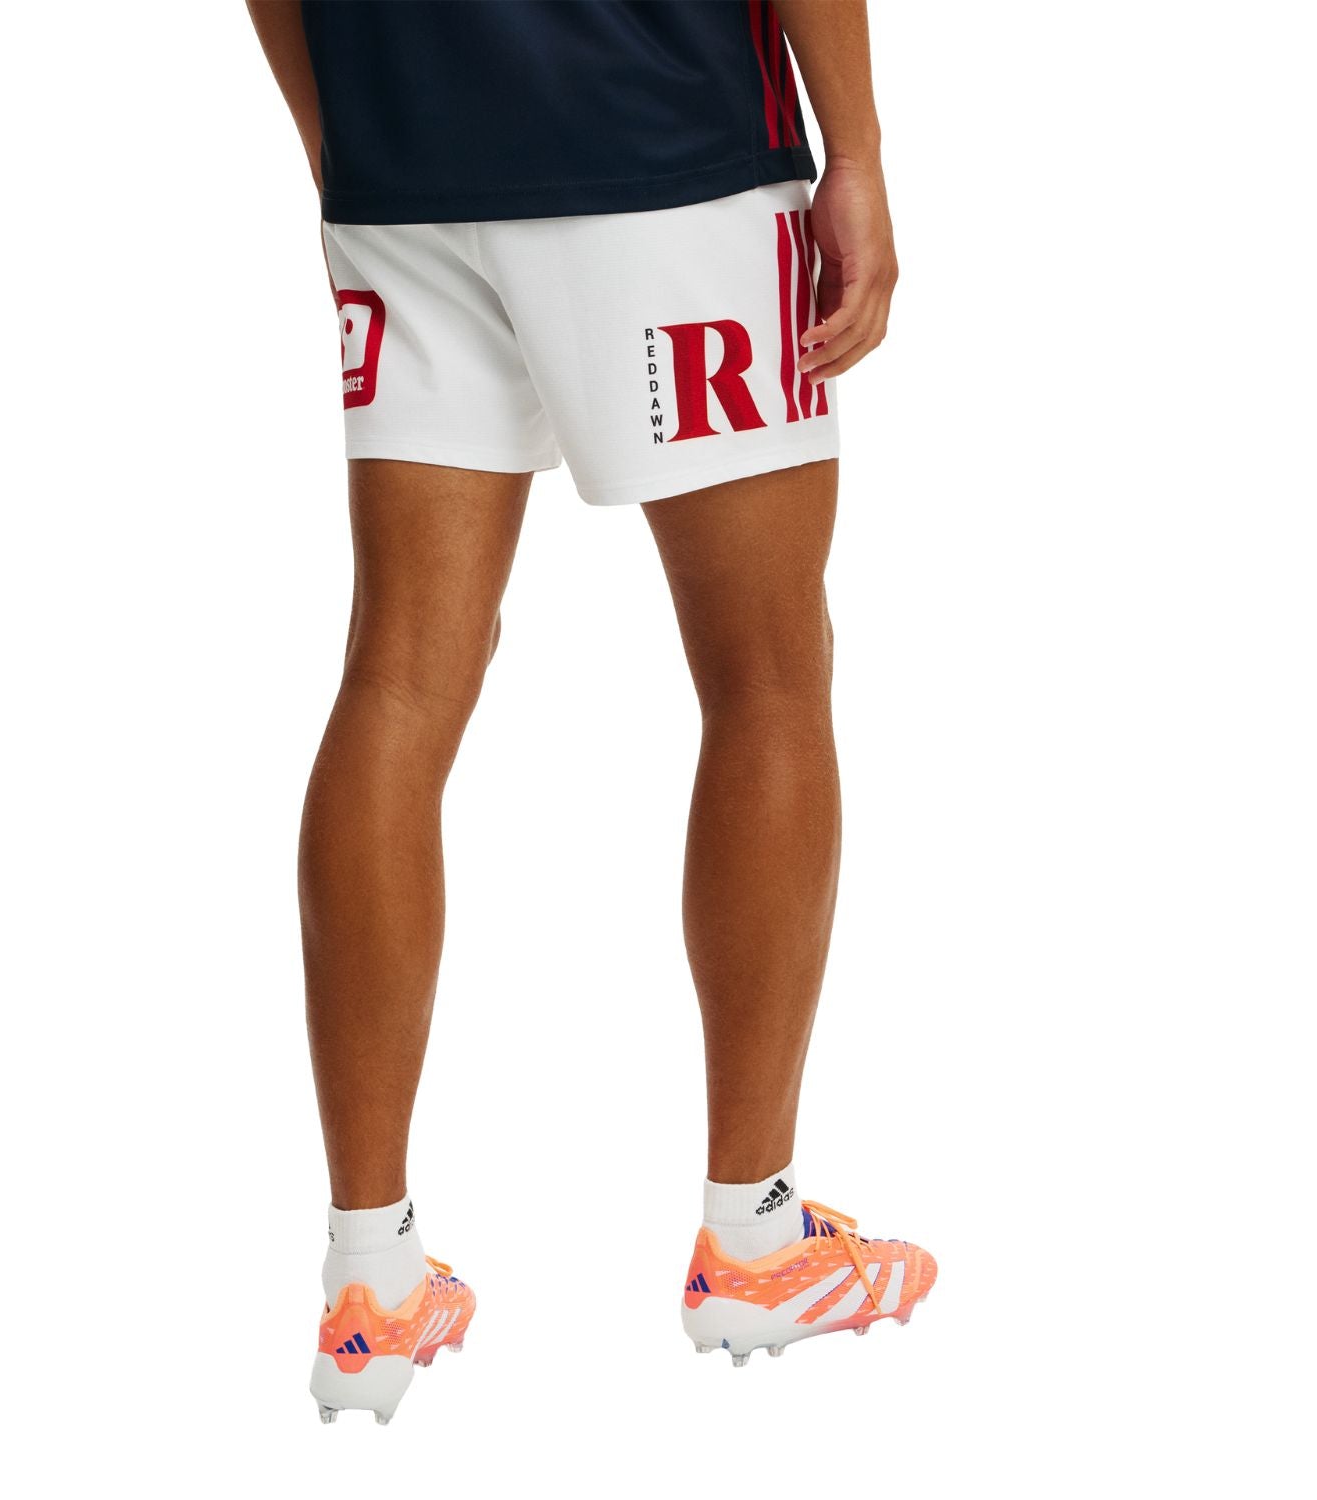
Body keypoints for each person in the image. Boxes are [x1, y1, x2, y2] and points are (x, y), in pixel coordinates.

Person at [246, 0, 935, 1426]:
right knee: (768, 671)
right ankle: (754, 1239)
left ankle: (369, 1276)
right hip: (665, 135)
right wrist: (858, 153)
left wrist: (343, 140)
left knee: (397, 680)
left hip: (403, 158)